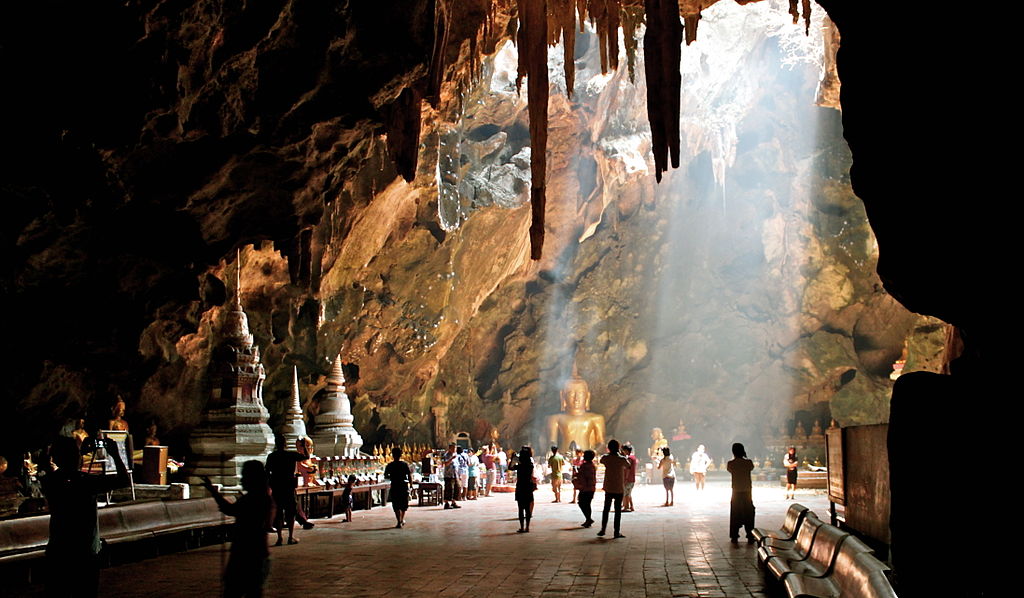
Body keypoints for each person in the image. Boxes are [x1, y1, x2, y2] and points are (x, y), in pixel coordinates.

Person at [42, 434, 130, 598]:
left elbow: (53, 468)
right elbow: (123, 480)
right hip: (84, 550)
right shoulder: (85, 482)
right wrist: (115, 454)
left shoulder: (50, 481)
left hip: (59, 548)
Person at [202, 461, 275, 597]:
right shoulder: (265, 498)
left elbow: (230, 509)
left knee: (234, 591)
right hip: (258, 552)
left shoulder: (253, 499)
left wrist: (214, 492)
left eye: (245, 476)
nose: (242, 480)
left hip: (247, 552)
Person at [265, 435, 307, 545]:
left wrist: (269, 484)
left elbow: (267, 472)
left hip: (277, 487)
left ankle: (279, 538)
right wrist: (304, 446)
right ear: (285, 444)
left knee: (279, 513)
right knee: (290, 512)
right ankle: (290, 536)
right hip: (289, 486)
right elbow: (306, 456)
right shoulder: (290, 455)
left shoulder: (272, 456)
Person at [598, 439, 628, 538]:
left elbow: (601, 460)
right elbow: (629, 465)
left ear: (609, 448)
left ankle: (603, 529)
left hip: (608, 487)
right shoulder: (621, 459)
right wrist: (622, 454)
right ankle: (616, 532)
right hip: (618, 487)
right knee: (617, 511)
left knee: (606, 509)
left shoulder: (606, 458)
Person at [727, 442, 756, 543]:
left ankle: (734, 535)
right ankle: (750, 534)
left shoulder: (731, 463)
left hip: (736, 491)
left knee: (735, 513)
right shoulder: (748, 463)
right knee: (749, 513)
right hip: (747, 491)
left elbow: (729, 470)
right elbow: (751, 468)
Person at [384, 447, 412, 528]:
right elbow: (409, 475)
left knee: (396, 503)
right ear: (401, 455)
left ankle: (398, 521)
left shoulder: (390, 465)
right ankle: (401, 519)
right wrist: (411, 484)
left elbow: (386, 475)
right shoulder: (404, 464)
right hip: (403, 485)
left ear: (392, 455)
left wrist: (393, 476)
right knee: (403, 503)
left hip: (395, 485)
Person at [511, 446, 536, 532]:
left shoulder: (520, 466)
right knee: (527, 509)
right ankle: (527, 527)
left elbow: (510, 467)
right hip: (528, 486)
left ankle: (522, 527)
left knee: (520, 508)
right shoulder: (530, 465)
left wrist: (513, 459)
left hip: (520, 487)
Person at [576, 449, 597, 528]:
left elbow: (583, 476)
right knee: (587, 504)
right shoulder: (592, 466)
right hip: (591, 488)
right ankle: (588, 519)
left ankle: (588, 519)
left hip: (585, 488)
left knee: (582, 503)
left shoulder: (585, 466)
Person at [442, 443, 460, 509]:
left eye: (455, 448)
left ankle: (453, 502)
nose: (454, 449)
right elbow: (445, 463)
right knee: (449, 489)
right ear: (450, 448)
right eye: (453, 448)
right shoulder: (447, 455)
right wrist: (451, 458)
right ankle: (446, 503)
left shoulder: (456, 455)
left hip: (455, 474)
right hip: (448, 475)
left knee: (456, 488)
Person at [622, 444, 638, 512]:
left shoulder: (629, 458)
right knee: (629, 493)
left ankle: (626, 507)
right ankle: (631, 506)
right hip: (632, 478)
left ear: (626, 450)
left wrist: (625, 478)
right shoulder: (633, 457)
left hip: (628, 479)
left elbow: (628, 469)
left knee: (625, 494)